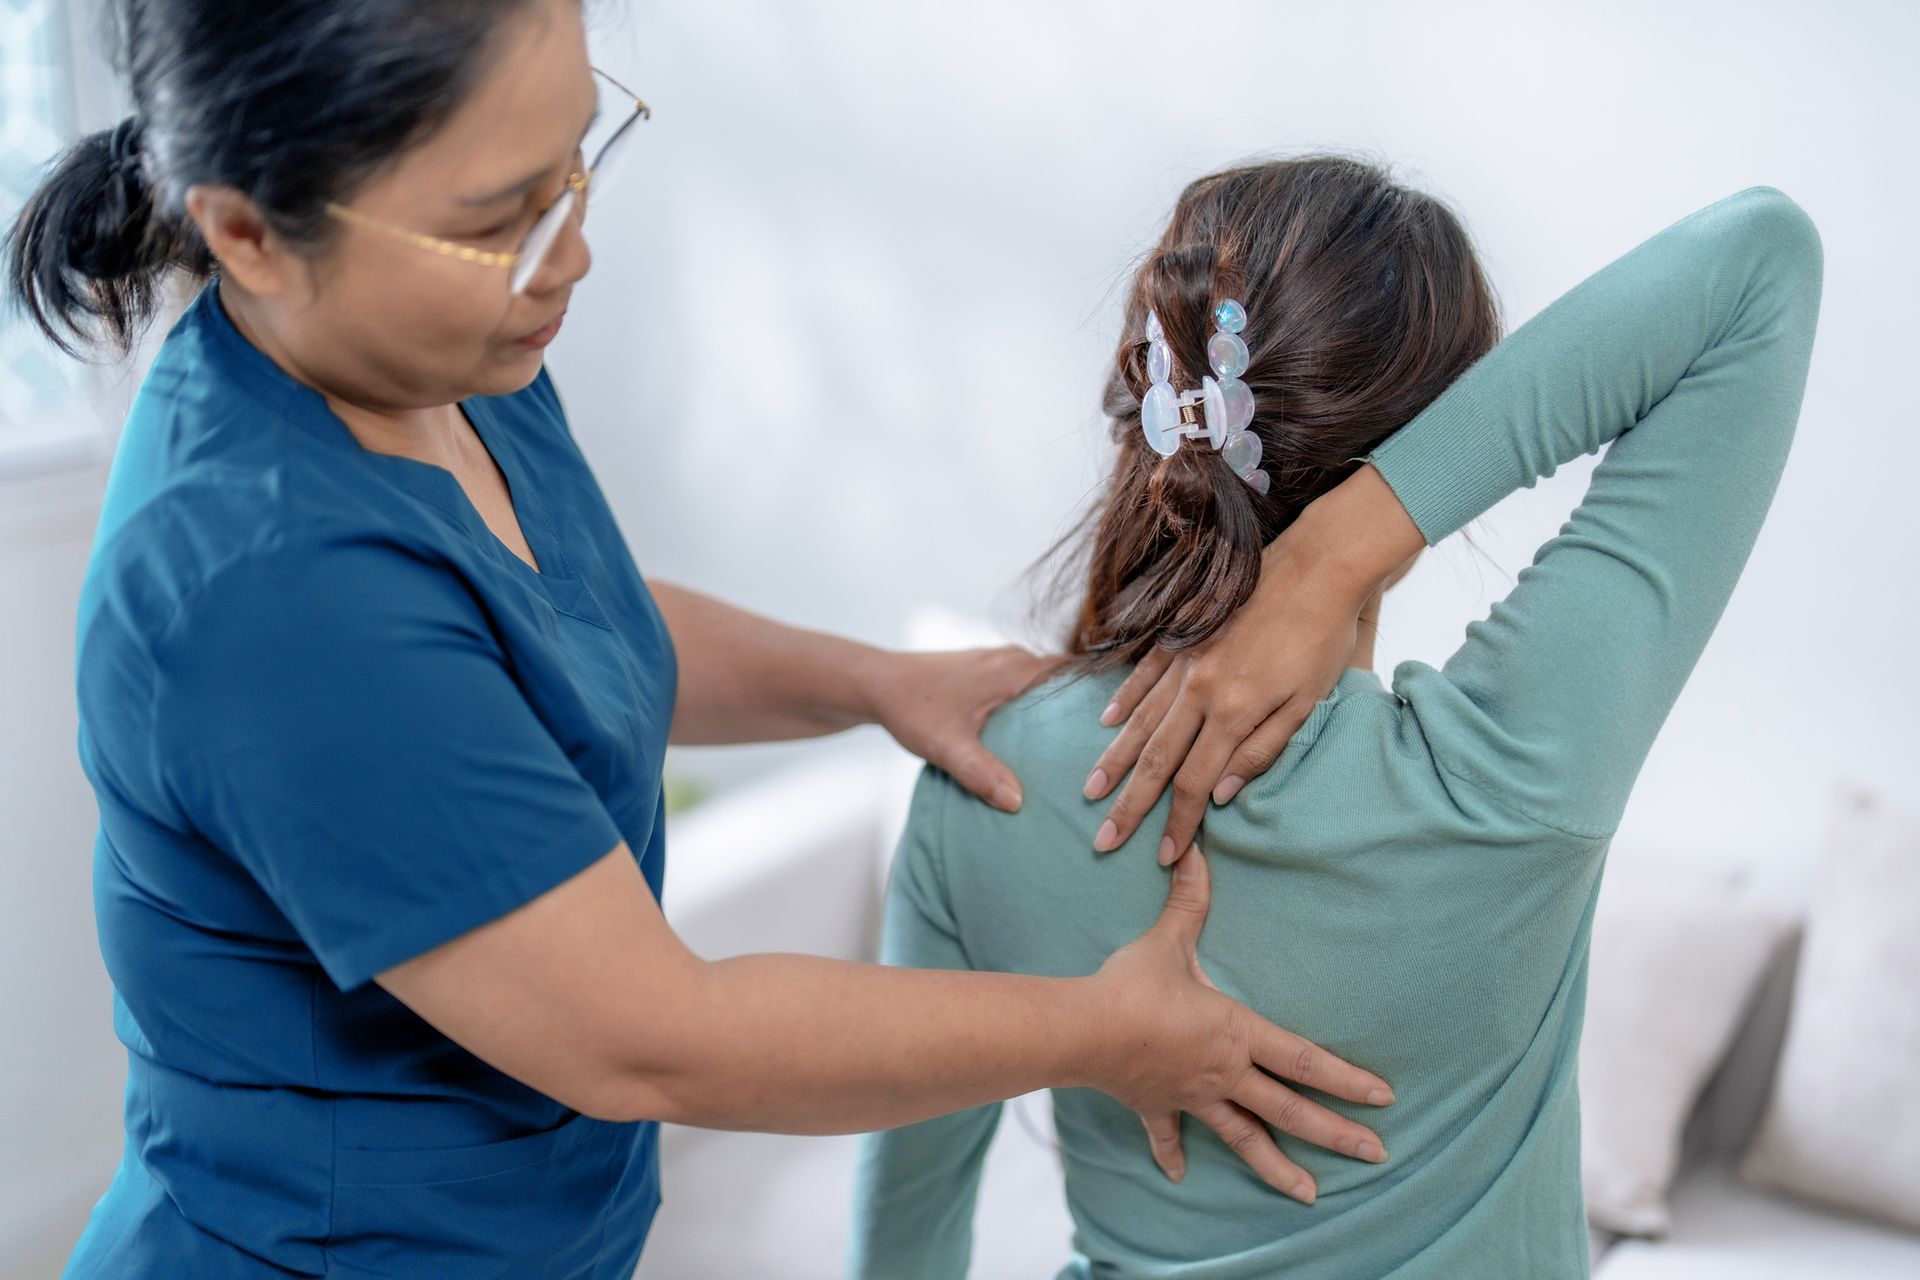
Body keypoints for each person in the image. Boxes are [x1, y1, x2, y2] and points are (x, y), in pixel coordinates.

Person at [5, 4, 1400, 1276]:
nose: (577, 248)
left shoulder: (439, 360)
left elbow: (559, 619)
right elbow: (658, 1041)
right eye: (503, 217)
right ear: (249, 230)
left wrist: (872, 682)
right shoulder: (268, 592)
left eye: (577, 159)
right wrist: (1109, 1034)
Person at [848, 159, 1823, 1278]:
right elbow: (1760, 260)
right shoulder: (1502, 779)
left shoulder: (982, 778)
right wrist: (1345, 547)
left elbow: (901, 1244)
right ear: (1441, 439)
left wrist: (1313, 556)